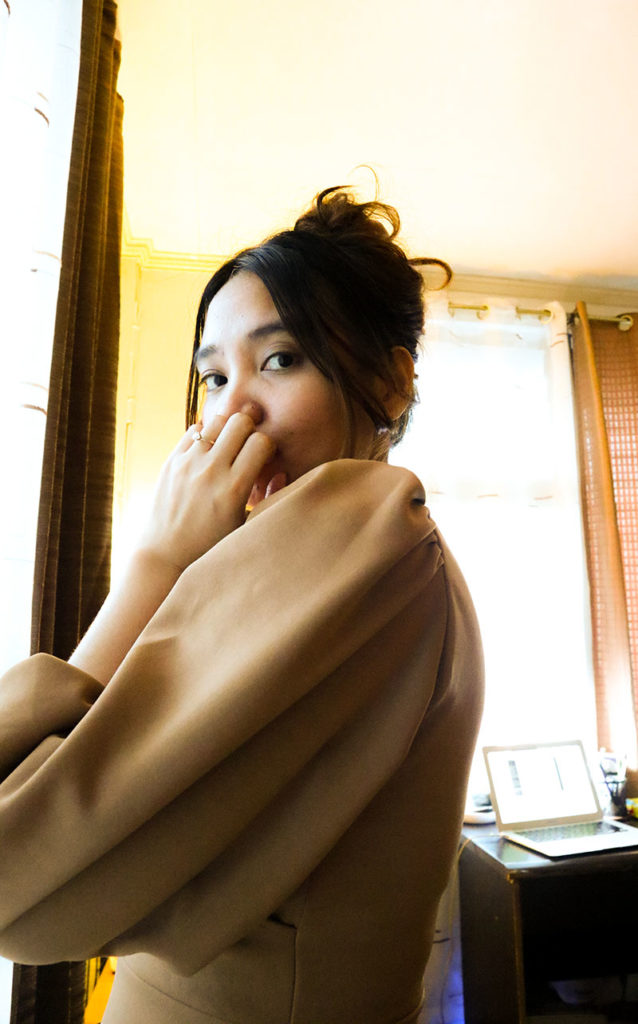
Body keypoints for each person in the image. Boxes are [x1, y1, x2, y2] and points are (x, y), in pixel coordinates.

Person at [0, 186, 484, 1024]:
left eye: (281, 359)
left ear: (391, 381)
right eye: (215, 376)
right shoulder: (383, 556)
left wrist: (154, 564)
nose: (232, 411)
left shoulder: (360, 536)